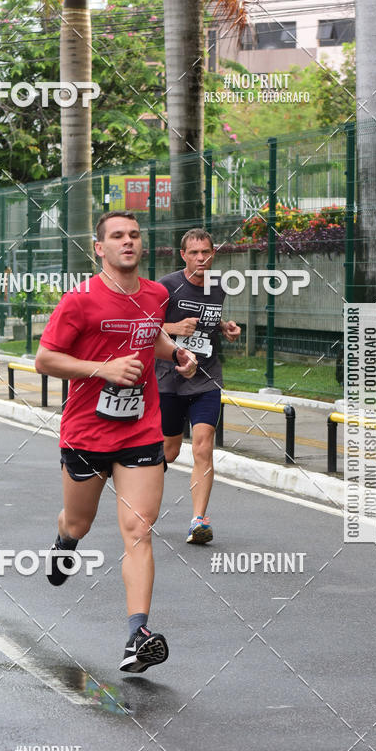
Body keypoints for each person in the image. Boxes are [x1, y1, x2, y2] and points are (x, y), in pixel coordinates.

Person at [35, 211, 197, 674]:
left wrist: (177, 352)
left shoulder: (156, 295)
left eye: (134, 235)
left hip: (140, 430)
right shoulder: (79, 300)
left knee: (138, 529)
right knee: (79, 522)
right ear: (99, 247)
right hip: (87, 432)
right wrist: (101, 369)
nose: (128, 242)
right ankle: (65, 541)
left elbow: (151, 337)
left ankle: (137, 636)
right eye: (117, 236)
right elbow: (45, 359)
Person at [155, 228, 241, 544]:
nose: (200, 258)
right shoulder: (167, 286)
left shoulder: (218, 286)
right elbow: (146, 325)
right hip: (170, 378)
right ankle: (140, 485)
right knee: (169, 451)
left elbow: (209, 319)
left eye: (206, 252)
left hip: (206, 377)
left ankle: (199, 520)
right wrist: (174, 327)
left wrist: (225, 327)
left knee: (203, 445)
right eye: (194, 253)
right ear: (183, 255)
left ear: (213, 253)